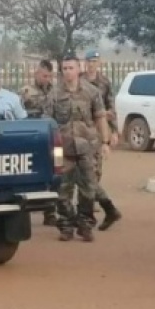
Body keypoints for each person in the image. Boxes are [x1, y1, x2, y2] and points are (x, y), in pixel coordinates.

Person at [45, 51, 111, 242]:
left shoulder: (92, 92)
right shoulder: (54, 94)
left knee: (88, 188)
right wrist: (50, 148)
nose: (68, 72)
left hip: (87, 147)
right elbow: (48, 122)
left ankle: (85, 224)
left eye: (71, 68)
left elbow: (100, 118)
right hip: (61, 148)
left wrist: (105, 142)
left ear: (79, 68)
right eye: (64, 68)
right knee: (61, 188)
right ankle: (66, 225)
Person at [77, 49, 122, 231]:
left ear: (99, 63)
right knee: (82, 172)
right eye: (89, 61)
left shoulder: (104, 82)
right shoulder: (78, 81)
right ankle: (91, 207)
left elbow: (111, 106)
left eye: (95, 61)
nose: (91, 64)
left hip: (97, 132)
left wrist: (113, 131)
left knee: (93, 171)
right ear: (84, 63)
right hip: (80, 132)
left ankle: (90, 208)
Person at [19, 59, 57, 226]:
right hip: (34, 139)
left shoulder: (55, 91)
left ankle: (50, 213)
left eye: (49, 76)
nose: (46, 79)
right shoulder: (26, 91)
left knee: (55, 174)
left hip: (52, 137)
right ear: (36, 73)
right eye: (44, 75)